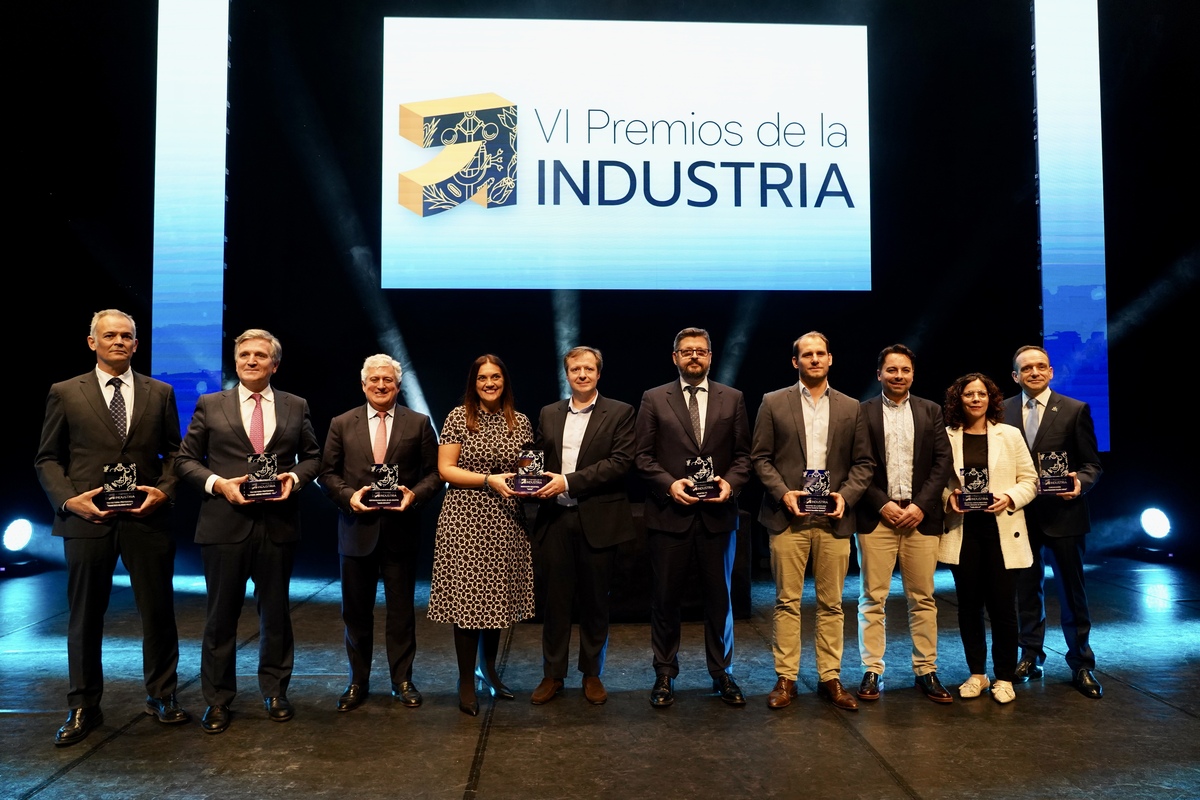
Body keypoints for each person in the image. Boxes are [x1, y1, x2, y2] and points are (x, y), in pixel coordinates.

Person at [35, 309, 188, 746]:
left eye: (126, 336)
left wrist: (164, 490)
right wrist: (68, 500)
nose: (118, 341)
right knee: (84, 616)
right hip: (87, 519)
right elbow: (47, 457)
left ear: (136, 345)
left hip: (146, 518)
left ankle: (162, 695)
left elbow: (176, 454)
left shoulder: (159, 392)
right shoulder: (65, 392)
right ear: (92, 342)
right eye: (109, 335)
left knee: (157, 611)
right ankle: (83, 705)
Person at [177, 329, 322, 734]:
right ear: (237, 360)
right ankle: (218, 700)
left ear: (275, 363)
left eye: (261, 355)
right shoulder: (210, 404)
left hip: (277, 525)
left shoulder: (296, 406)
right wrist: (219, 484)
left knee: (276, 615)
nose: (252, 360)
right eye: (245, 354)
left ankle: (276, 692)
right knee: (220, 617)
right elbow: (186, 461)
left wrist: (294, 477)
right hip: (224, 524)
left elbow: (314, 458)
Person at [752, 331, 874, 711]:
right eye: (807, 355)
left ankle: (830, 678)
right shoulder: (773, 402)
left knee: (832, 603)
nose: (815, 359)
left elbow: (864, 463)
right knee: (787, 601)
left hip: (834, 518)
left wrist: (847, 495)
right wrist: (783, 493)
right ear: (796, 362)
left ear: (830, 359)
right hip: (787, 517)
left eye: (821, 353)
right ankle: (786, 678)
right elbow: (760, 458)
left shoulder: (851, 406)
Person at [634, 327, 752, 708]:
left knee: (720, 600)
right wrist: (671, 486)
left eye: (700, 351)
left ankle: (722, 674)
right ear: (675, 358)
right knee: (665, 600)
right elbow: (643, 457)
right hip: (670, 515)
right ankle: (665, 674)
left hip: (718, 516)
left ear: (711, 356)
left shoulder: (732, 399)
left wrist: (729, 485)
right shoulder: (654, 398)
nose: (693, 357)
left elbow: (744, 457)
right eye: (686, 351)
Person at [319, 354, 442, 712]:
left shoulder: (418, 423)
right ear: (363, 384)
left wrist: (414, 495)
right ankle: (357, 681)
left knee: (402, 612)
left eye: (388, 379)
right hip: (357, 531)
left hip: (400, 532)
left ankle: (402, 680)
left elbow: (435, 474)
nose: (381, 385)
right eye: (374, 379)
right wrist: (349, 497)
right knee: (355, 613)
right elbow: (327, 474)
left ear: (398, 386)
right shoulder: (342, 423)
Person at [427, 355, 535, 716]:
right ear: (473, 383)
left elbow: (525, 469)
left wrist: (530, 481)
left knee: (497, 603)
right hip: (466, 520)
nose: (490, 383)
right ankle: (464, 681)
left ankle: (489, 671)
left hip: (505, 520)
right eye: (483, 378)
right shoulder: (459, 417)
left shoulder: (520, 422)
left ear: (505, 380)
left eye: (496, 376)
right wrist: (489, 480)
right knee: (470, 604)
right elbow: (445, 470)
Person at [528, 347, 636, 706]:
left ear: (599, 374)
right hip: (555, 519)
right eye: (575, 369)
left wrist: (568, 482)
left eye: (589, 369)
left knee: (594, 602)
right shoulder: (548, 413)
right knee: (555, 603)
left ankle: (591, 674)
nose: (582, 375)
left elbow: (620, 463)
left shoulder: (620, 412)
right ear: (567, 373)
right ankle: (552, 675)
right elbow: (537, 460)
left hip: (598, 519)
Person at [855, 344, 954, 703]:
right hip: (876, 517)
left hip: (920, 519)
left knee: (923, 598)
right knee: (872, 598)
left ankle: (926, 670)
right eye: (892, 370)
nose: (899, 376)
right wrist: (882, 504)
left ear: (913, 374)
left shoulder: (931, 411)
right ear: (879, 373)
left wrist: (921, 506)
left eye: (905, 370)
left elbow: (943, 462)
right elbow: (856, 464)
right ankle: (872, 670)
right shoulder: (861, 412)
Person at [1004, 345, 1104, 698]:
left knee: (1072, 593)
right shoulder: (1001, 411)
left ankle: (1082, 664)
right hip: (1020, 516)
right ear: (1015, 376)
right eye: (1026, 368)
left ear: (1051, 372)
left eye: (1041, 366)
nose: (1034, 372)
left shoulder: (1075, 410)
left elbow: (1092, 464)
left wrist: (1080, 483)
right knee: (1025, 592)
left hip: (1064, 515)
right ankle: (1030, 656)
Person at [938, 373, 1037, 704]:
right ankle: (977, 674)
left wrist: (1009, 497)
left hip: (1001, 531)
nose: (976, 399)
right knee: (968, 607)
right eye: (969, 394)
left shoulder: (1009, 435)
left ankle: (1004, 677)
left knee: (1003, 608)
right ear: (959, 399)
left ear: (990, 398)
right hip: (964, 532)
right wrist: (947, 498)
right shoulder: (947, 436)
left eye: (981, 393)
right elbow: (935, 480)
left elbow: (1030, 479)